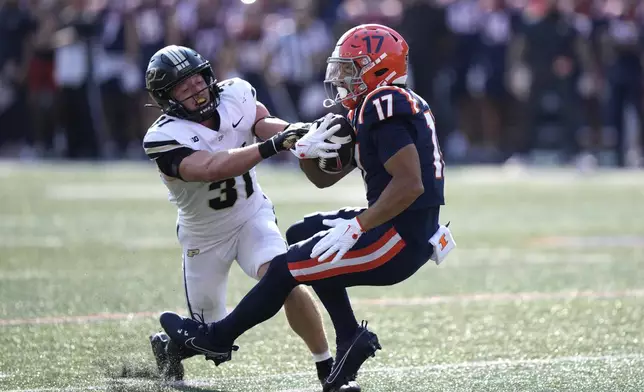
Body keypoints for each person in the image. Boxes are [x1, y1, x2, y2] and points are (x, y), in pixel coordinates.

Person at [158, 24, 456, 391]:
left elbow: (410, 185)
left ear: (378, 67)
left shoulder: (384, 102)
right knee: (301, 234)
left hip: (398, 236)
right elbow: (323, 179)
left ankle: (218, 337)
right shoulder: (368, 107)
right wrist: (305, 144)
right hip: (393, 225)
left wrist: (358, 226)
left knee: (285, 268)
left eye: (351, 68)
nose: (342, 77)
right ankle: (350, 338)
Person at [141, 45, 360, 392]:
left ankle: (328, 371)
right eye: (183, 87)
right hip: (204, 236)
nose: (196, 89)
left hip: (251, 215)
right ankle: (170, 347)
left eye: (197, 79)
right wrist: (273, 146)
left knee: (285, 278)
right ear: (167, 98)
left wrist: (295, 132)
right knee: (207, 332)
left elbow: (261, 121)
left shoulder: (235, 94)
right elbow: (210, 168)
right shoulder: (163, 136)